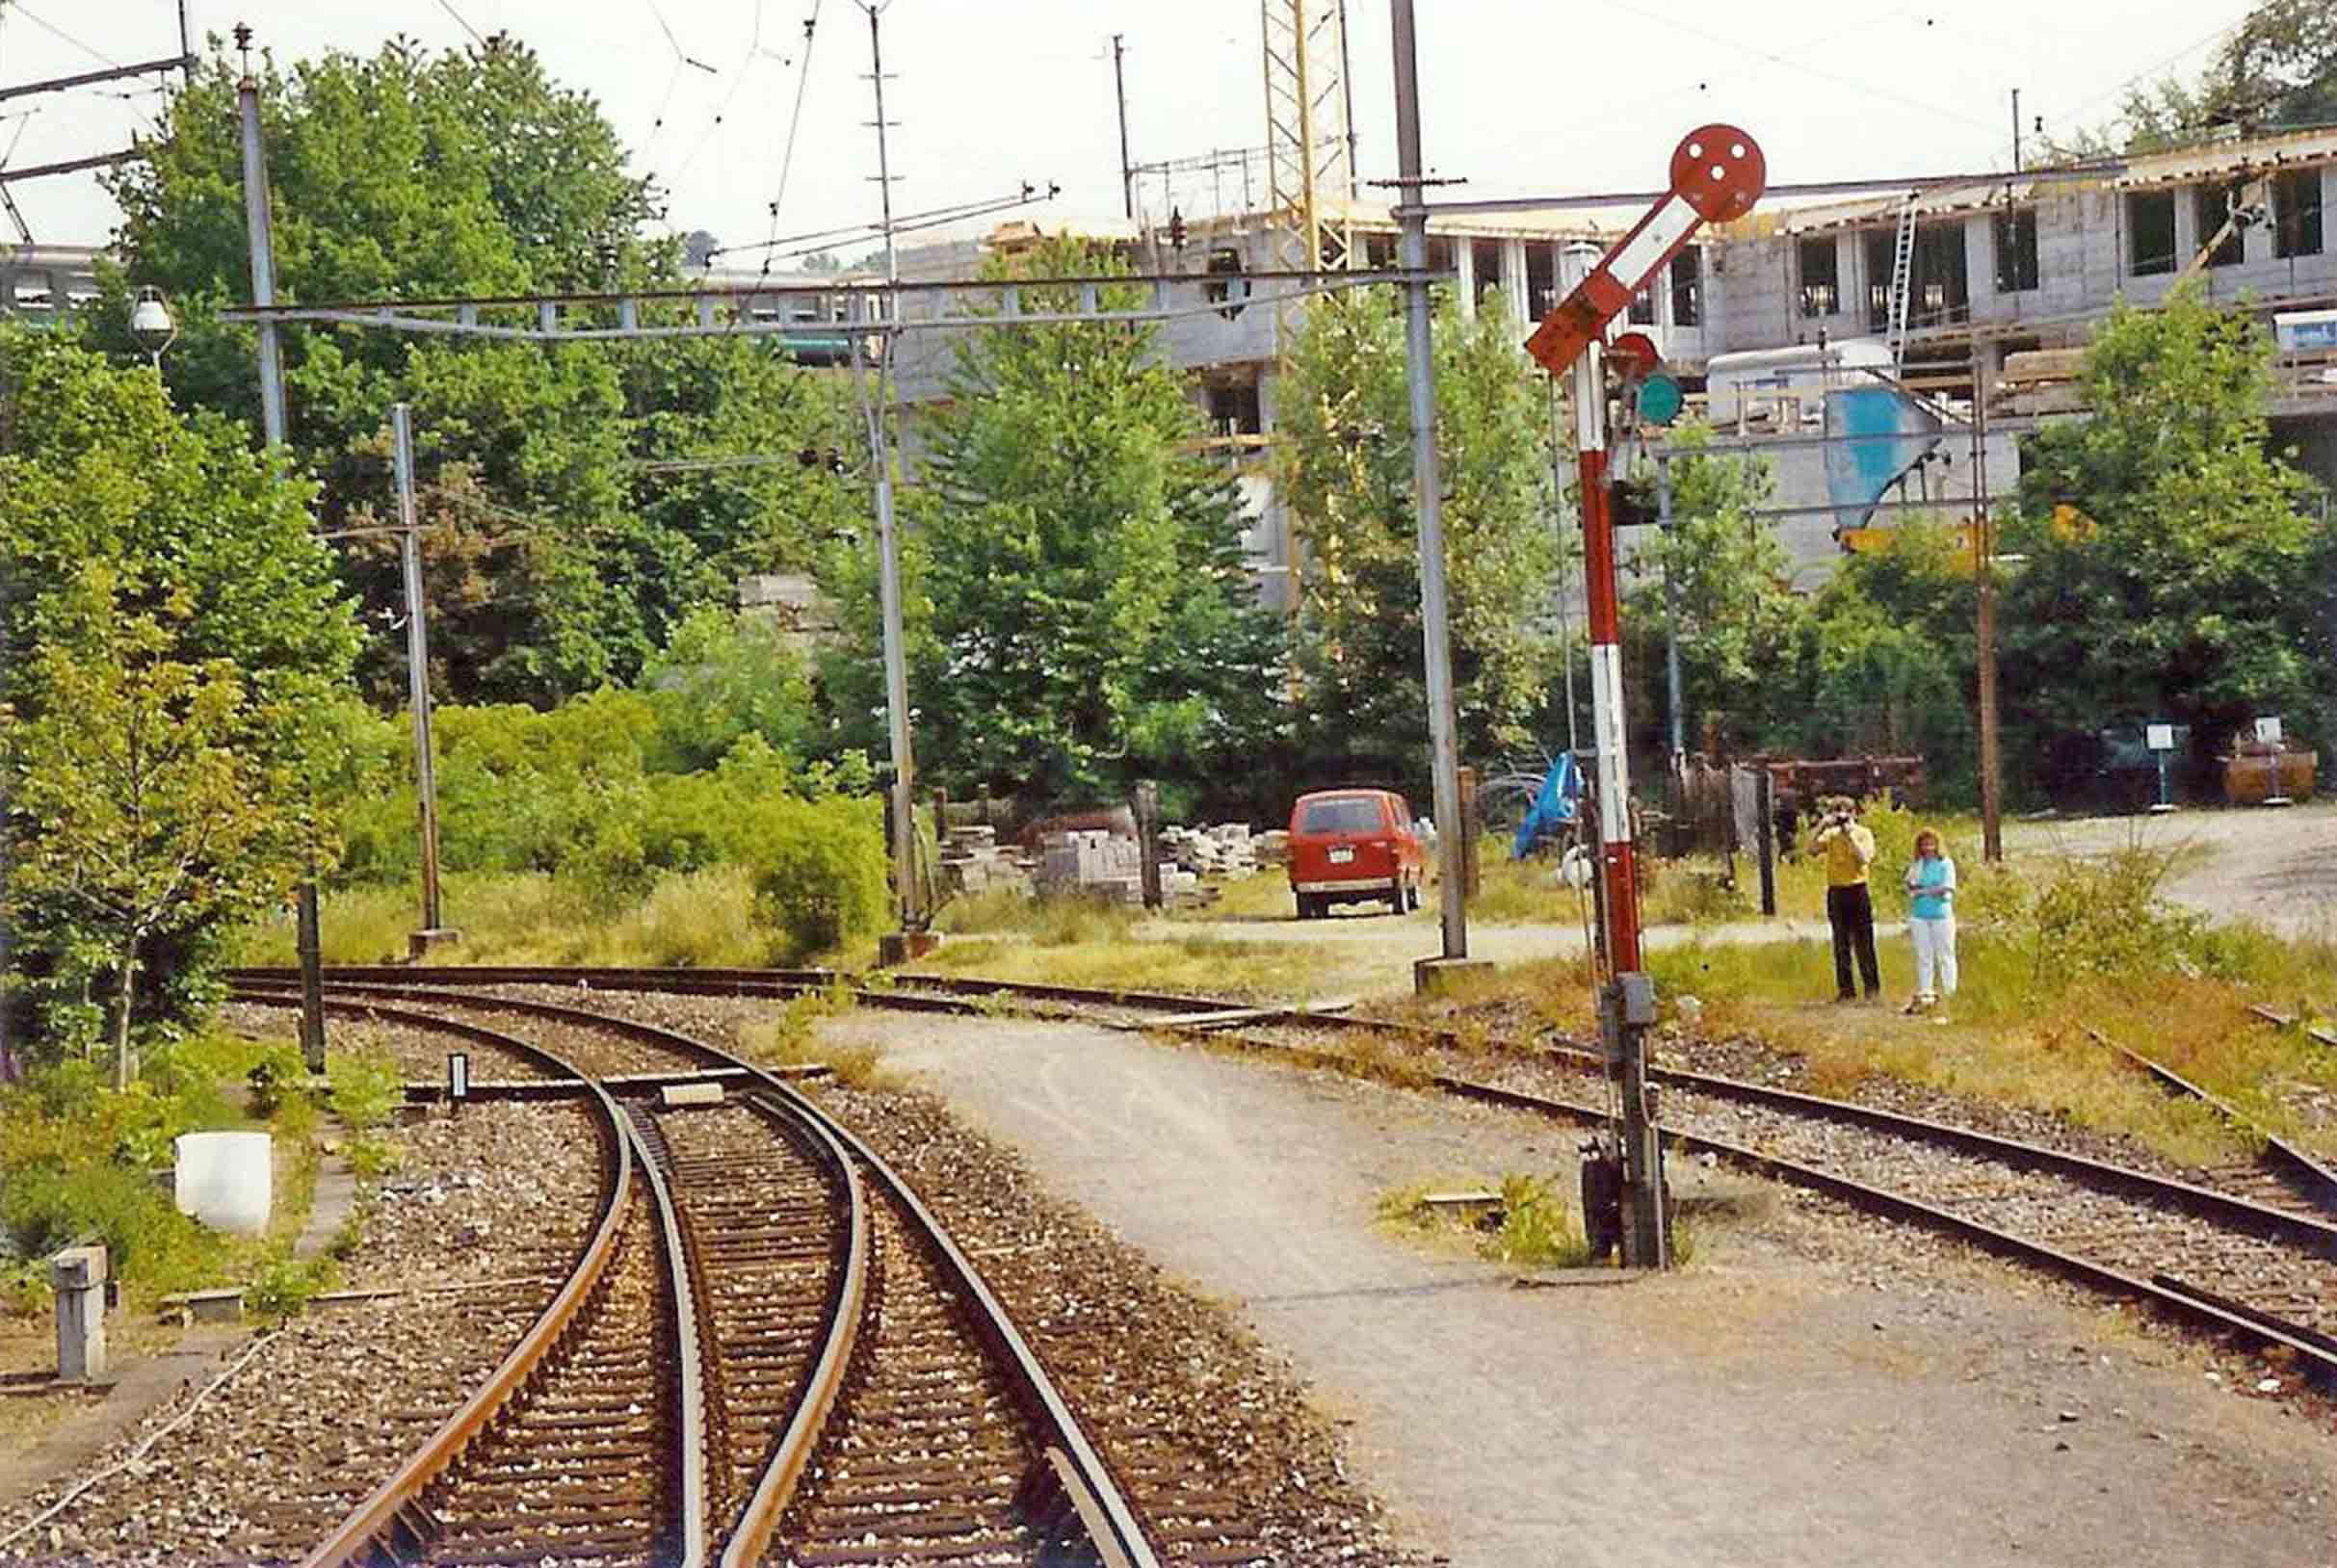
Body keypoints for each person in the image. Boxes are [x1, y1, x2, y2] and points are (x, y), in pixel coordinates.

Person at [1809, 796, 1879, 1002]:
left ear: (1854, 814)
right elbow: (1811, 849)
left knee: (1864, 941)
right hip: (1837, 891)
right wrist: (1821, 826)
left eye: (1846, 812)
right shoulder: (1830, 835)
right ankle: (1846, 990)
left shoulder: (1863, 833)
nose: (1842, 817)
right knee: (1841, 943)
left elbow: (1865, 858)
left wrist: (1850, 835)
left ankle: (1871, 988)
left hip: (1858, 889)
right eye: (1837, 812)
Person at [1903, 826, 1958, 1017]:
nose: (1928, 848)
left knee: (1945, 955)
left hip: (1941, 915)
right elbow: (1909, 885)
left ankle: (1950, 992)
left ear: (1937, 845)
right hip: (1919, 915)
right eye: (1924, 845)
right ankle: (1926, 992)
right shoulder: (1917, 865)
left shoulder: (1945, 864)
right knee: (1924, 956)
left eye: (1931, 844)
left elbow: (1947, 888)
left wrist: (1923, 891)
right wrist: (1921, 890)